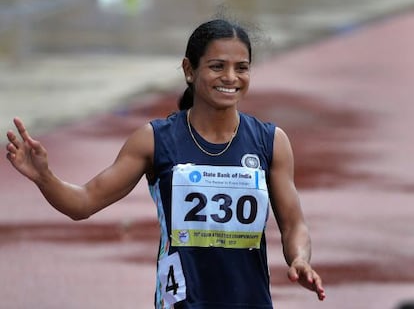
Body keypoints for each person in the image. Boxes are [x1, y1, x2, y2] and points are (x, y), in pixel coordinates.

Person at [5, 19, 325, 308]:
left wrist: (299, 258)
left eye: (241, 67)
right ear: (190, 70)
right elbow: (84, 202)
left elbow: (293, 224)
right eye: (217, 66)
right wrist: (44, 177)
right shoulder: (156, 140)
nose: (230, 77)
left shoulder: (270, 141)